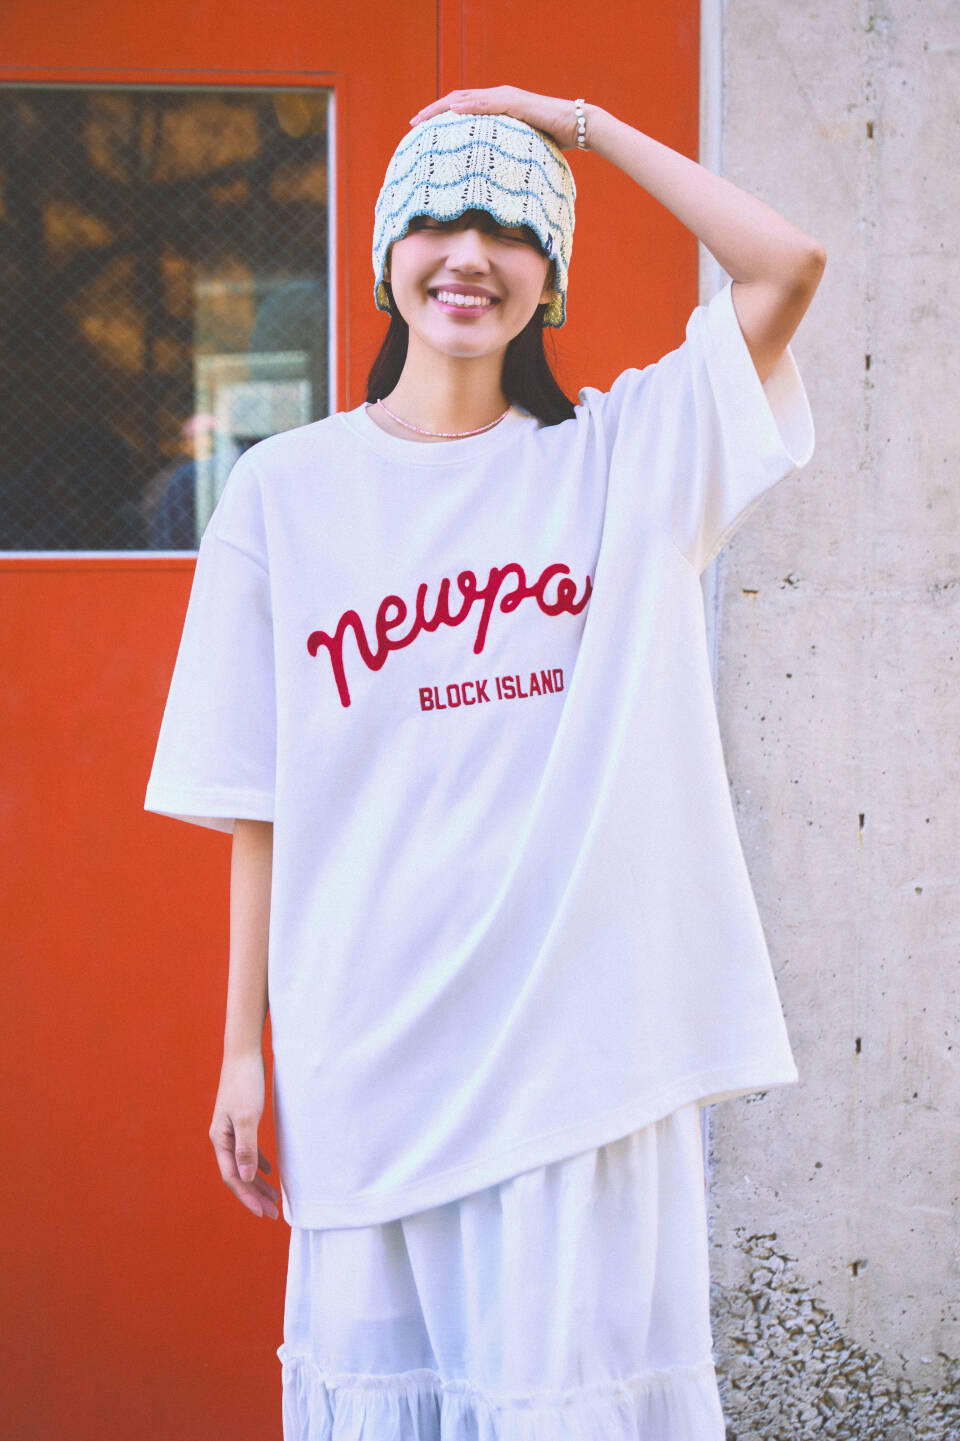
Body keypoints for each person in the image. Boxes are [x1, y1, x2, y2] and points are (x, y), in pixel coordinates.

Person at [144, 86, 825, 1440]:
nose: (472, 252)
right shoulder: (284, 490)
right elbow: (256, 798)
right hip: (367, 1044)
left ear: (551, 277)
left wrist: (572, 125)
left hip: (580, 1058)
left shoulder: (630, 456)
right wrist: (242, 1050)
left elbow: (785, 266)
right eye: (440, 219)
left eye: (514, 226)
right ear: (387, 256)